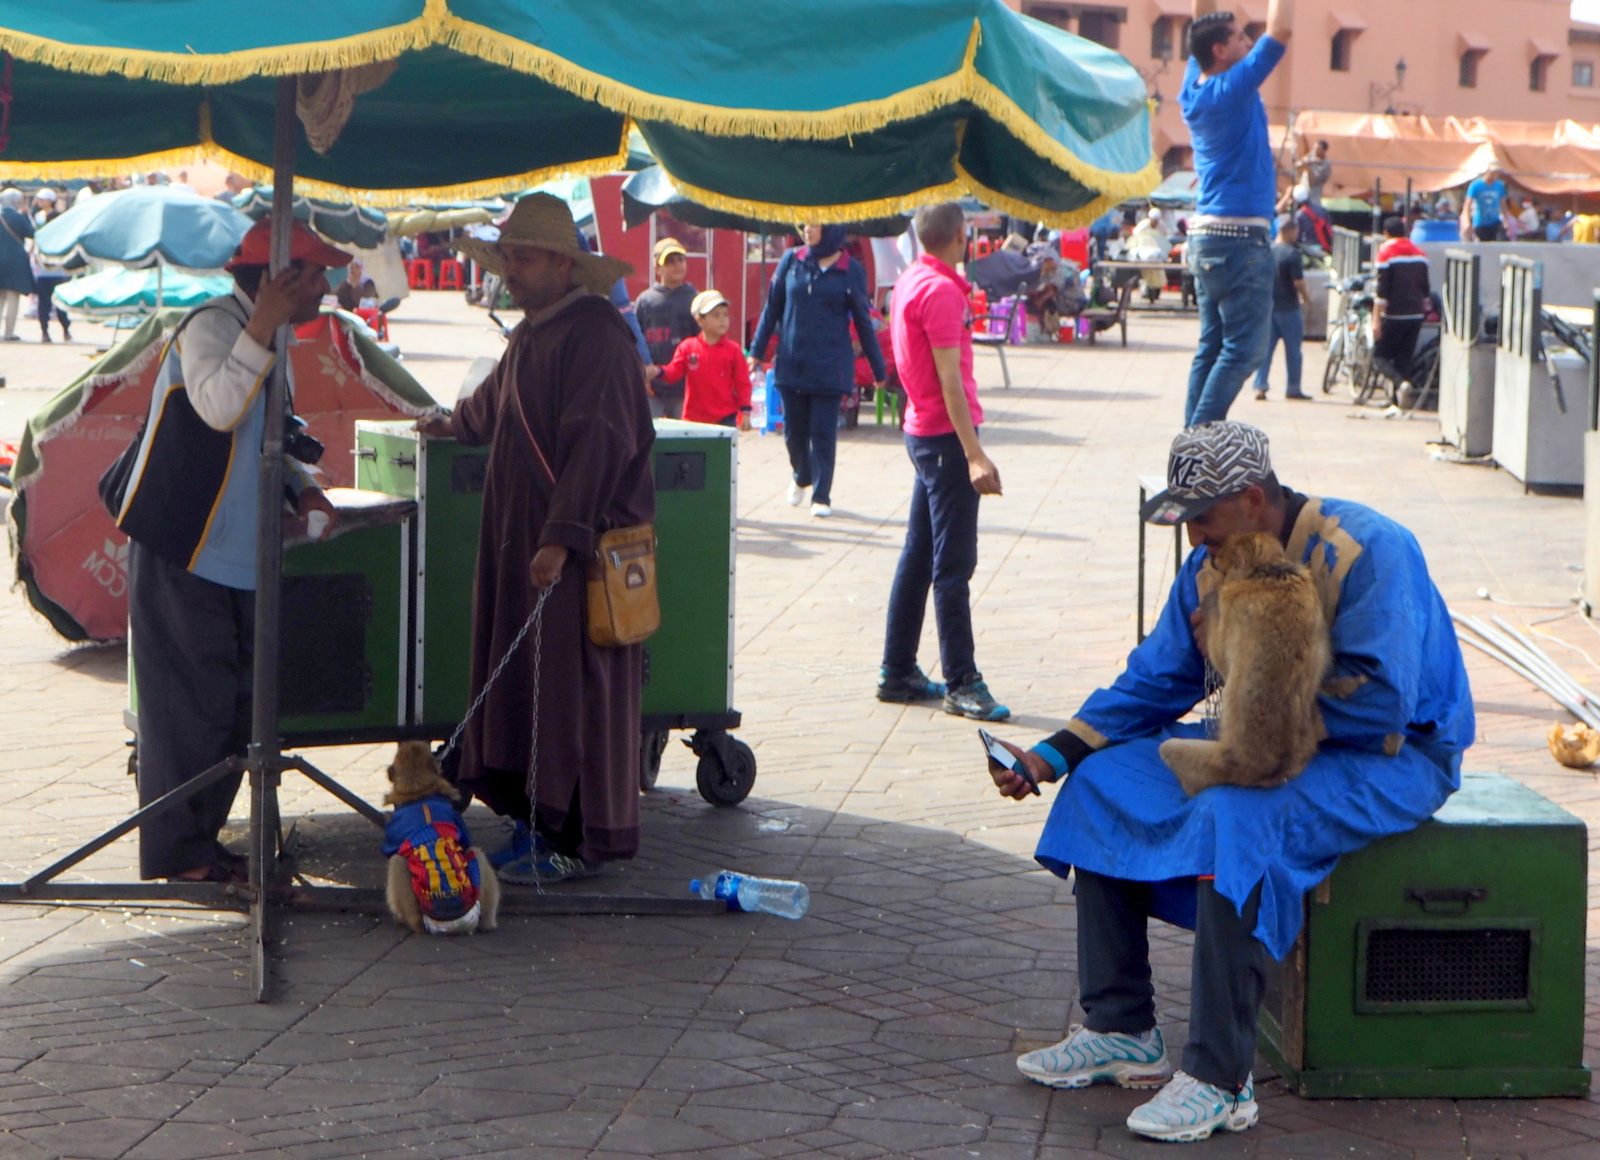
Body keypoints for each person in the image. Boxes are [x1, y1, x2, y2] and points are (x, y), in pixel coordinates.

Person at [990, 421, 1472, 1144]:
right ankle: (1122, 1028)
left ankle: (1221, 1079)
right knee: (1104, 781)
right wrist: (1051, 755)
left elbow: (1383, 699)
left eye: (1201, 519)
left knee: (1235, 814)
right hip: (1259, 733)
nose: (1193, 540)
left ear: (1251, 498)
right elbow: (1157, 678)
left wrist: (1251, 668)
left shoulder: (1369, 548)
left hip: (1389, 756)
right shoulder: (1214, 560)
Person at [433, 193, 653, 884]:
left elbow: (601, 444)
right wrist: (442, 423)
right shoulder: (531, 334)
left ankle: (574, 840)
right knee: (527, 687)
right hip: (522, 545)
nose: (512, 272)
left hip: (575, 551)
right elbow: (490, 407)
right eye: (507, 259)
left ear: (564, 263)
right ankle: (534, 821)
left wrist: (561, 536)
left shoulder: (598, 336)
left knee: (573, 693)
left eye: (523, 258)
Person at [116, 219, 343, 882]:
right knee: (190, 707)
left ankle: (200, 842)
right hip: (186, 547)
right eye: (316, 275)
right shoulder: (214, 327)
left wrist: (303, 487)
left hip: (238, 551)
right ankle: (179, 855)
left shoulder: (267, 334)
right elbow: (219, 408)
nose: (327, 288)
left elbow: (276, 429)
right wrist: (261, 326)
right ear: (280, 279)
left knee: (235, 701)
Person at [878, 202, 1009, 722]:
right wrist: (974, 453)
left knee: (919, 554)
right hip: (945, 436)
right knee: (953, 565)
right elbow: (950, 380)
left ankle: (898, 670)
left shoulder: (911, 279)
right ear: (960, 235)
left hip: (922, 429)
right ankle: (962, 680)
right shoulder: (941, 291)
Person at [1179, 0, 1293, 427]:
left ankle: (1190, 453)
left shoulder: (1195, 84)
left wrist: (1210, 18)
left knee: (1211, 347)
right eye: (1241, 36)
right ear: (1220, 51)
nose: (1249, 39)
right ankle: (1197, 440)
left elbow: (1200, 21)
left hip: (1207, 236)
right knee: (1245, 350)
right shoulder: (1234, 87)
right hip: (1240, 241)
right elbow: (1281, 32)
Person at [747, 225, 885, 518]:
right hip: (792, 362)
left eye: (815, 224)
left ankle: (822, 495)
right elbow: (772, 308)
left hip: (830, 365)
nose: (808, 230)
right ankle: (801, 475)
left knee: (823, 432)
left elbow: (862, 320)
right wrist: (757, 351)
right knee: (794, 434)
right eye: (805, 224)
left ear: (832, 229)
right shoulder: (791, 261)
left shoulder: (852, 270)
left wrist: (878, 367)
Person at [658, 289, 752, 428]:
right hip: (693, 419)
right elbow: (674, 372)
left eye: (725, 315)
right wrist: (658, 371)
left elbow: (742, 382)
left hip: (725, 418)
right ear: (699, 320)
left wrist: (745, 411)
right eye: (716, 315)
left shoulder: (734, 350)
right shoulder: (688, 347)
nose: (722, 320)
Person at [635, 236, 699, 419]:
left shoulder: (694, 299)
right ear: (657, 268)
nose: (677, 265)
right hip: (652, 385)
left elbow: (702, 343)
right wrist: (641, 378)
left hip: (685, 387)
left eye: (680, 259)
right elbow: (634, 339)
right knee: (652, 437)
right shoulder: (645, 300)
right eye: (670, 262)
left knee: (684, 438)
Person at [1251, 217, 1310, 401]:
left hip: (1268, 308)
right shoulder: (1292, 254)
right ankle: (1293, 388)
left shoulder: (1266, 251)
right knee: (1293, 351)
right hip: (1289, 308)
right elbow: (1298, 282)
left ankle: (1260, 386)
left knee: (1266, 350)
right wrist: (1306, 297)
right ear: (1290, 231)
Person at [1372, 215, 1430, 386]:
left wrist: (1376, 319)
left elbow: (1381, 292)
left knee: (1379, 357)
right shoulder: (1420, 254)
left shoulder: (1386, 253)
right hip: (1416, 314)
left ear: (1386, 233)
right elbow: (1425, 287)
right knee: (1404, 358)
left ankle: (1400, 384)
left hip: (1395, 314)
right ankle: (1397, 404)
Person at [30, 189, 72, 343]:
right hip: (57, 272)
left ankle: (45, 332)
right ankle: (65, 330)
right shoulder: (58, 231)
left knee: (44, 304)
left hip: (44, 271)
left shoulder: (42, 232)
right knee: (59, 303)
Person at [0, 188, 35, 342]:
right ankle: (8, 332)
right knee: (13, 297)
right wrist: (26, 215)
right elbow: (31, 233)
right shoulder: (18, 217)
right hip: (15, 260)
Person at [1463, 166, 1512, 242]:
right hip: (1480, 223)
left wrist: (1506, 220)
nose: (1494, 175)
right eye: (1492, 173)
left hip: (1495, 222)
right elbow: (1467, 205)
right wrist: (1467, 222)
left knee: (1500, 241)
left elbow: (1503, 205)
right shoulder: (1475, 185)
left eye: (1496, 173)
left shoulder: (1499, 186)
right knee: (1482, 245)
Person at [1294, 139, 1331, 207]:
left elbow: (1315, 180)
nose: (1315, 151)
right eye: (1314, 149)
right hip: (1302, 192)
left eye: (1318, 149)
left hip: (1313, 195)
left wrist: (1309, 167)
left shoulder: (1326, 164)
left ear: (1324, 151)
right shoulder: (1310, 157)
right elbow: (1297, 166)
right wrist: (1304, 163)